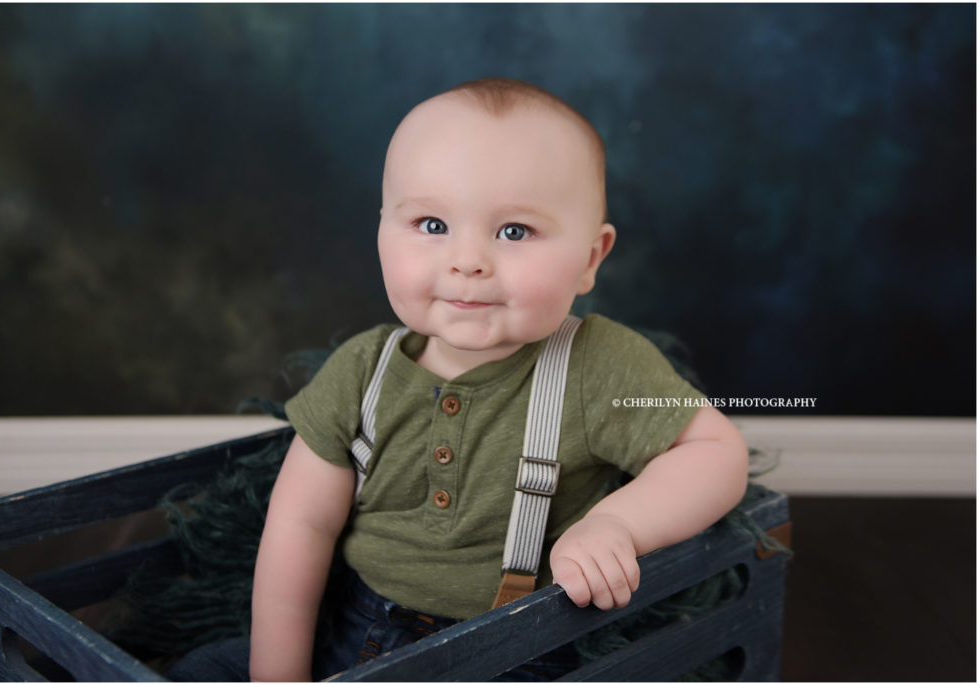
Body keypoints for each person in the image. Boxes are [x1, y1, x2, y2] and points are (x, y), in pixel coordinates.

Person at [171, 77, 748, 682]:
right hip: (360, 633)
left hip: (520, 645)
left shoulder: (596, 364)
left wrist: (618, 524)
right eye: (430, 224)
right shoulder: (362, 371)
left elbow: (714, 451)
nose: (467, 260)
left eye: (514, 232)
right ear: (382, 231)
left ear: (589, 259)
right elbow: (300, 526)